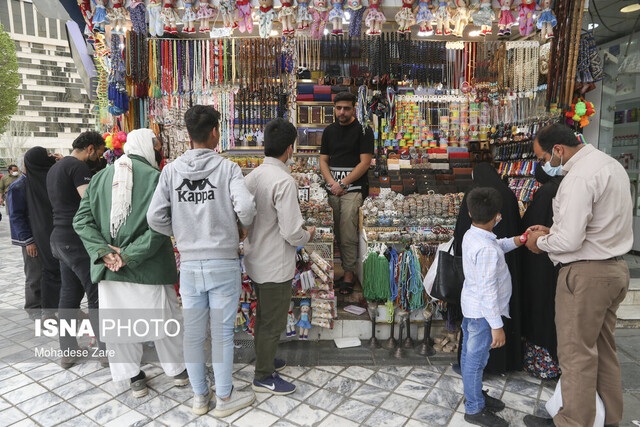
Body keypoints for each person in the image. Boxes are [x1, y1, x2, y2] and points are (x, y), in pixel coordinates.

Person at [147, 105, 257, 417]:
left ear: (188, 134)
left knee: (193, 334)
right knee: (222, 334)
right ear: (213, 133)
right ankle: (224, 398)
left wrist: (181, 232)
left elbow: (154, 217)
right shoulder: (228, 168)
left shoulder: (171, 171)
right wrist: (239, 228)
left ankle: (199, 398)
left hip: (191, 266)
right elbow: (246, 208)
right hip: (223, 262)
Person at [523, 124, 632, 427]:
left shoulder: (579, 177)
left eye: (543, 156)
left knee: (575, 354)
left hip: (586, 275)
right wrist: (552, 231)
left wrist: (539, 242)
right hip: (614, 269)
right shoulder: (611, 166)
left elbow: (570, 241)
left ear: (558, 150)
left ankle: (573, 422)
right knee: (603, 351)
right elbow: (594, 226)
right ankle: (609, 419)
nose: (544, 164)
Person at [73, 129, 188, 398]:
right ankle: (177, 372)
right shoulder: (157, 179)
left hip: (110, 271)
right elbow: (162, 227)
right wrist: (128, 254)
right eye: (157, 146)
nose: (160, 150)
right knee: (165, 321)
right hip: (149, 268)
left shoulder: (101, 177)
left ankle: (134, 378)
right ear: (148, 148)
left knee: (121, 326)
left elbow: (81, 221)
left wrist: (104, 252)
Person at [243, 118, 316, 396]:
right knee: (272, 320)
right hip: (275, 263)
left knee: (264, 314)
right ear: (290, 148)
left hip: (255, 259)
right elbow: (291, 232)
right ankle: (263, 375)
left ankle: (266, 358)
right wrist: (307, 234)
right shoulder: (284, 181)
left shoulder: (252, 177)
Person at [461, 187, 525, 427]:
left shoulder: (473, 235)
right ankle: (474, 408)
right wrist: (496, 326)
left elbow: (498, 244)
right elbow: (488, 291)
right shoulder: (486, 249)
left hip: (473, 309)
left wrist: (519, 240)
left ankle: (474, 394)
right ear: (497, 216)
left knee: (470, 357)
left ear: (470, 213)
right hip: (483, 315)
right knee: (475, 362)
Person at [454, 162, 523, 374]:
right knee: (480, 348)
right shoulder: (508, 197)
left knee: (471, 350)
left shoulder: (471, 225)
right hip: (505, 271)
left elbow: (460, 236)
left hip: (474, 298)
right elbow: (489, 289)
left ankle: (472, 390)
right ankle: (475, 401)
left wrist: (516, 241)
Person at [46, 131, 106, 368]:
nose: (99, 157)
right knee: (96, 295)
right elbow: (88, 203)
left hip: (59, 240)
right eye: (99, 152)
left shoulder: (55, 168)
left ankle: (68, 352)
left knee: (68, 297)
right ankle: (105, 351)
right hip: (76, 240)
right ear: (90, 148)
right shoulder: (78, 168)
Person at [319, 91, 374, 295]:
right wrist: (332, 183)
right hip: (332, 188)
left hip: (354, 189)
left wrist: (343, 183)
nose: (342, 112)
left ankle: (349, 273)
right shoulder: (329, 131)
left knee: (348, 230)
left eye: (346, 108)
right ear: (334, 108)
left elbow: (365, 162)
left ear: (354, 109)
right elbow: (323, 160)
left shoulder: (364, 131)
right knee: (330, 231)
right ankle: (327, 272)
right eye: (338, 108)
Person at [520, 165, 563, 379]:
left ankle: (543, 365)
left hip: (541, 261)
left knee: (540, 309)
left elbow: (530, 224)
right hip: (557, 261)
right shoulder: (564, 187)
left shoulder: (546, 191)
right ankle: (556, 362)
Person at [22, 148, 62, 320]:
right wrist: (27, 240)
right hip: (46, 231)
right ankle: (43, 311)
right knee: (48, 271)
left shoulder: (46, 177)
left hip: (48, 229)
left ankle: (60, 308)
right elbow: (17, 216)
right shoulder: (23, 185)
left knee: (55, 270)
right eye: (47, 155)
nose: (51, 156)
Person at [7, 164, 43, 319]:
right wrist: (28, 241)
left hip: (42, 235)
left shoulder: (36, 181)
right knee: (34, 274)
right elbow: (16, 216)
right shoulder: (18, 186)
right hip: (30, 238)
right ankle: (34, 308)